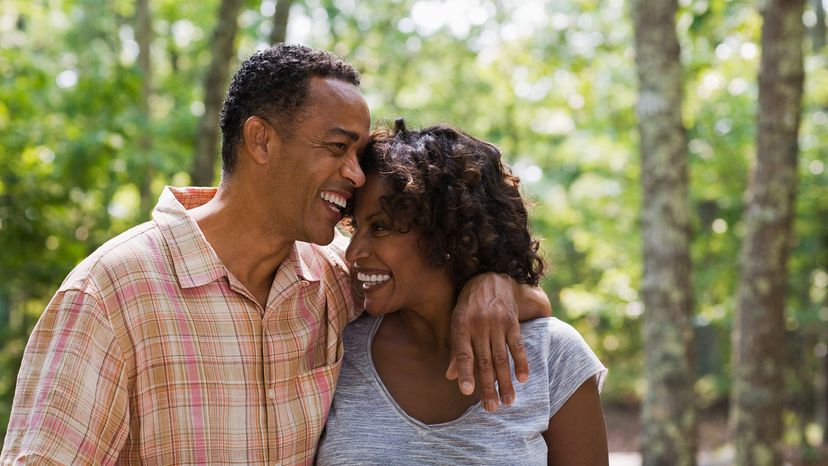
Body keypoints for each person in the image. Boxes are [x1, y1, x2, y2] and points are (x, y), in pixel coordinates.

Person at [1, 45, 551, 465]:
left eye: (359, 154)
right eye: (338, 148)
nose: (357, 175)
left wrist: (493, 284)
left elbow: (440, 282)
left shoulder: (334, 280)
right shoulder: (110, 293)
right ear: (260, 141)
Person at [316, 120, 608, 465]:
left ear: (451, 235)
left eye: (379, 227)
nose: (353, 253)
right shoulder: (337, 346)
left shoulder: (553, 354)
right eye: (357, 227)